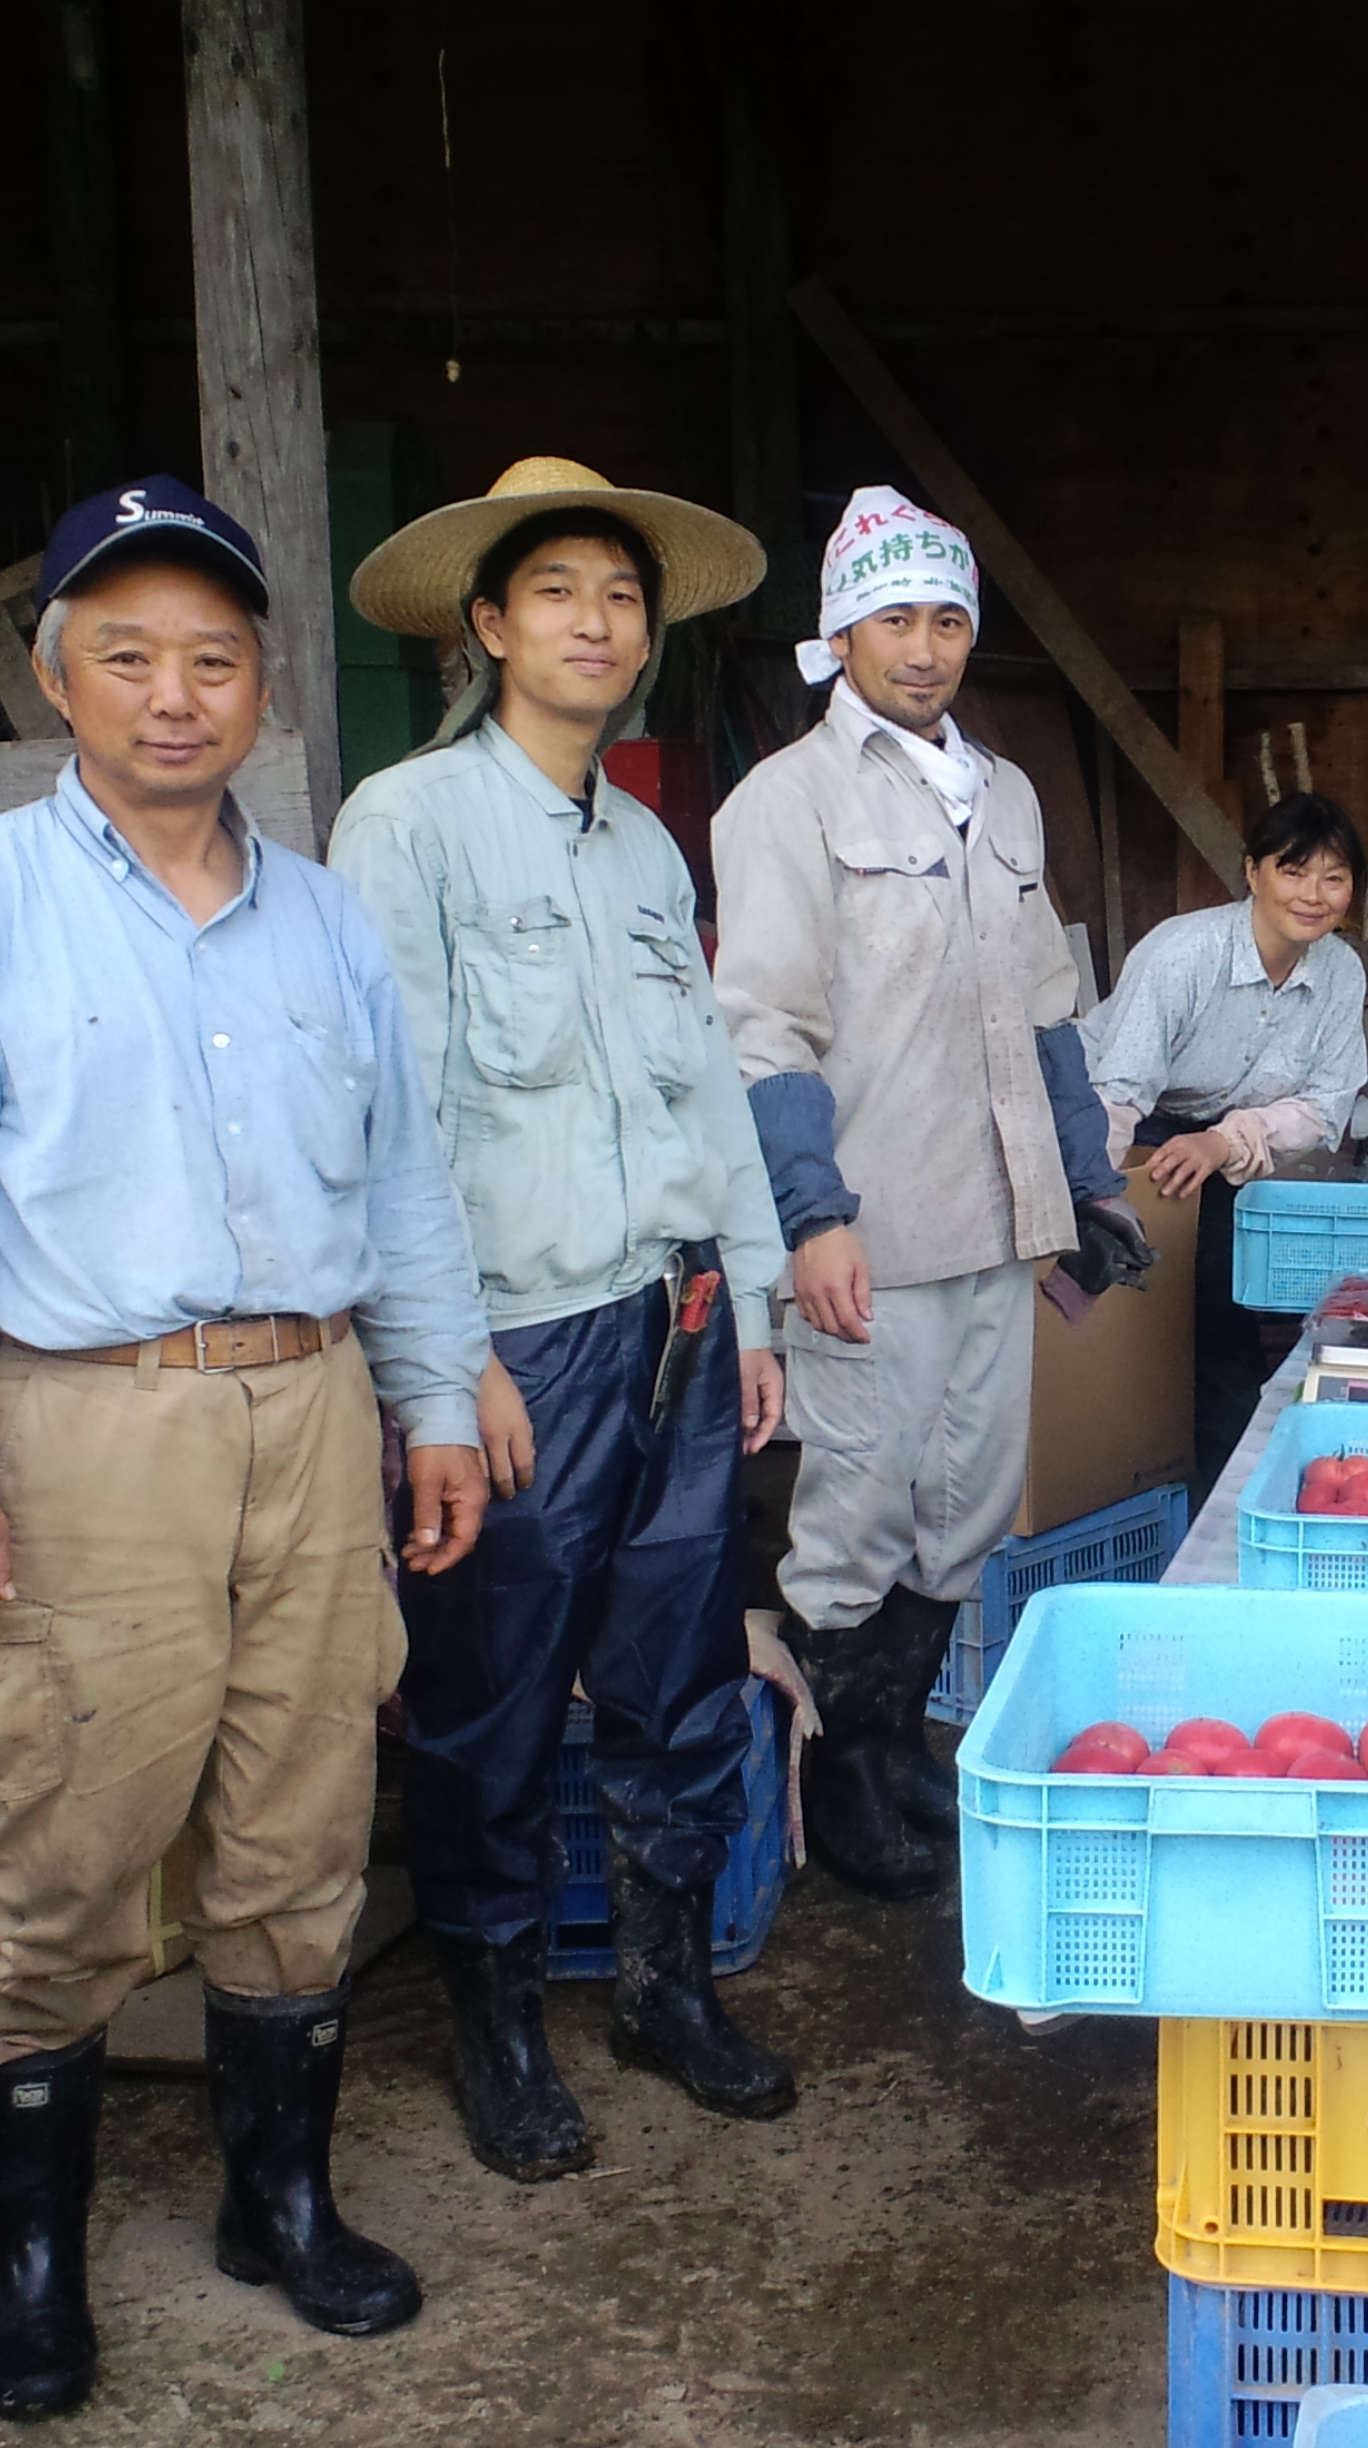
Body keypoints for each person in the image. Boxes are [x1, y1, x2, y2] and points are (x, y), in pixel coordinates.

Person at [0, 480, 495, 2410]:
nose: (174, 693)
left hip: (310, 1403)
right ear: (58, 680)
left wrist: (435, 1400)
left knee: (300, 1816)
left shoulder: (324, 919)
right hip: (83, 1418)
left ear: (265, 684)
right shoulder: (7, 896)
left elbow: (407, 1187)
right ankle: (35, 2252)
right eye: (125, 655)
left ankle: (273, 2199)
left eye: (211, 656)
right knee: (68, 1825)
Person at [329, 458, 795, 2186]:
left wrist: (748, 1301)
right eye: (559, 593)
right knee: (492, 1697)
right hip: (520, 1339)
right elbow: (391, 1119)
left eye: (621, 595)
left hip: (673, 1321)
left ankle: (666, 1988)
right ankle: (500, 2023)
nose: (597, 621)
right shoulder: (407, 823)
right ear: (486, 624)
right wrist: (442, 1365)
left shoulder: (646, 841)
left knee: (678, 1672)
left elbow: (712, 1099)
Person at [713, 485, 1151, 1901]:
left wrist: (1087, 1184)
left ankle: (895, 1742)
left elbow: (1047, 1012)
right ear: (841, 632)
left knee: (964, 1499)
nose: (925, 643)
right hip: (872, 1230)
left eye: (948, 616)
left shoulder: (1007, 794)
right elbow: (763, 1028)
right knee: (855, 1505)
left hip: (1000, 1218)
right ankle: (837, 1776)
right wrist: (810, 1216)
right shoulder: (786, 801)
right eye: (894, 616)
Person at [1081, 791, 1368, 1494]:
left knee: (1224, 1314)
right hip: (1119, 1126)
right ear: (1253, 873)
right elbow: (1117, 1093)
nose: (1313, 896)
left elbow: (1327, 1106)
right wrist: (1087, 1192)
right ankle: (1105, 1472)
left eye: (1333, 878)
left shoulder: (1340, 972)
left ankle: (1223, 1502)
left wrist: (1224, 1142)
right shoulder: (1184, 955)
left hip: (1231, 1144)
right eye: (1293, 871)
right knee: (1120, 1311)